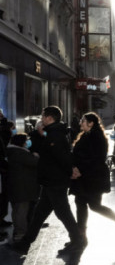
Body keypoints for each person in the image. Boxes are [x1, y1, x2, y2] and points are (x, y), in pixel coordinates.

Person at [12, 106, 87, 255]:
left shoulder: (55, 135)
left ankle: (78, 241)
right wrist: (39, 133)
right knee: (39, 214)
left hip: (55, 181)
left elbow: (62, 157)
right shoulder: (52, 133)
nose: (41, 118)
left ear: (49, 118)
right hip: (50, 181)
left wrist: (71, 170)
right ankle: (25, 244)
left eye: (43, 116)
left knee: (63, 213)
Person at [71, 113, 115, 240]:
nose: (80, 123)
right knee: (81, 203)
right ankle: (80, 235)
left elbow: (96, 158)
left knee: (94, 206)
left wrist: (79, 169)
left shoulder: (96, 137)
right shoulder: (85, 135)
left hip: (93, 178)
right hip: (85, 177)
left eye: (83, 121)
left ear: (91, 123)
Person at [6, 133, 39, 242]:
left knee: (16, 210)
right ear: (21, 142)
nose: (28, 142)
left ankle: (18, 231)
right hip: (22, 187)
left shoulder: (11, 152)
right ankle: (21, 233)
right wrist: (35, 156)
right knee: (21, 210)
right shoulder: (20, 153)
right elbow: (34, 162)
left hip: (16, 186)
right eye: (26, 140)